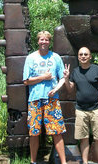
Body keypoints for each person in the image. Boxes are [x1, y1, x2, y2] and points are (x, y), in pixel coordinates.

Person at [23, 30, 67, 164]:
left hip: (52, 100)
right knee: (34, 132)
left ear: (49, 42)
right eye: (41, 39)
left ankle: (64, 162)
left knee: (57, 131)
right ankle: (33, 161)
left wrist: (56, 89)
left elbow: (63, 78)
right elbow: (26, 80)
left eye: (46, 40)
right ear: (38, 41)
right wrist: (44, 77)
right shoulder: (30, 58)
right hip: (35, 99)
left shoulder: (56, 57)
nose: (44, 42)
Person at [64, 47, 98, 164]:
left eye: (85, 54)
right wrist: (66, 79)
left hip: (97, 109)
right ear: (78, 57)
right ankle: (85, 162)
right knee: (83, 138)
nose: (83, 56)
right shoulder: (75, 72)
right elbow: (69, 89)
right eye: (81, 54)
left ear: (90, 56)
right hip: (81, 110)